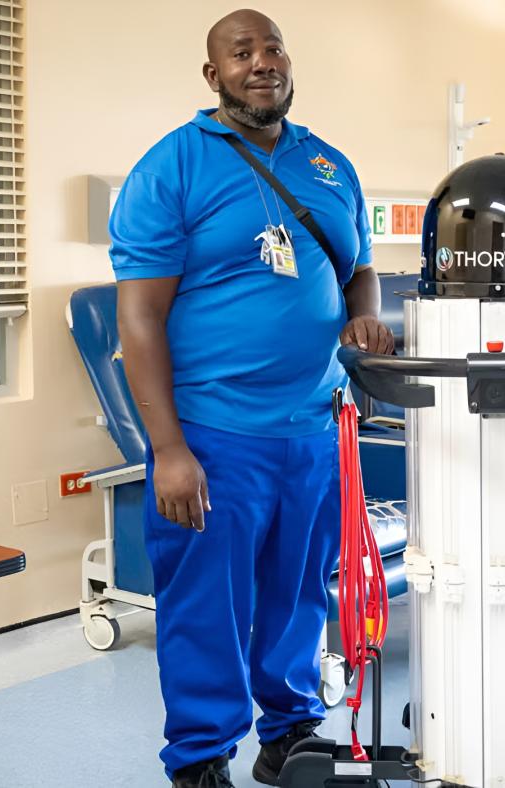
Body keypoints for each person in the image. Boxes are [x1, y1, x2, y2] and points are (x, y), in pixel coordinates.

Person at [110, 9, 394, 788]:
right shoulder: (171, 168)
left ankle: (290, 731)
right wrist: (167, 449)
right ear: (214, 75)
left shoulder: (329, 165)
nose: (262, 62)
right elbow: (139, 317)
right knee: (206, 605)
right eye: (242, 53)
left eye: (272, 48)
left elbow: (358, 266)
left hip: (314, 426)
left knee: (298, 592)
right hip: (214, 433)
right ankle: (201, 758)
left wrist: (365, 313)